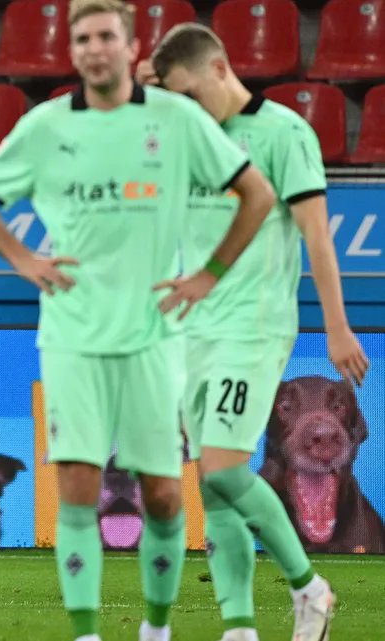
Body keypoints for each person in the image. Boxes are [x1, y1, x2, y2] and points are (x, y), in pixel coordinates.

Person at [0, 1, 278, 639]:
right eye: (83, 38)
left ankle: (155, 628)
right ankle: (86, 632)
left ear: (131, 48)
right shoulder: (46, 126)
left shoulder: (176, 119)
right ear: (72, 51)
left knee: (163, 495)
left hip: (154, 338)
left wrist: (208, 275)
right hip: (72, 337)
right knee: (78, 488)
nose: (95, 47)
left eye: (106, 35)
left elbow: (257, 194)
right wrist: (23, 259)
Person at [140, 23, 369, 641]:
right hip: (193, 330)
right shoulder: (191, 136)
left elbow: (317, 234)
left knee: (224, 470)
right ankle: (239, 628)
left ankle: (309, 589)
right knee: (215, 489)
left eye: (191, 94)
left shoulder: (283, 133)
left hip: (254, 328)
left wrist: (337, 325)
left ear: (219, 69)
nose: (188, 107)